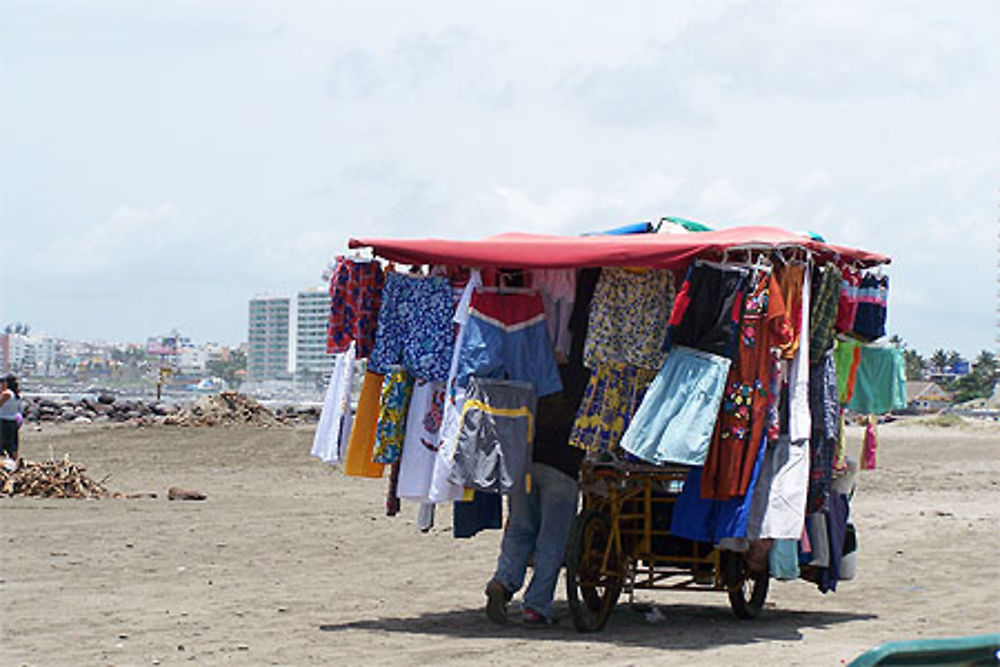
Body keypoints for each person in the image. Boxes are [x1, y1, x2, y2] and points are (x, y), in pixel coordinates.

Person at [0, 373, 22, 460]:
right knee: (13, 446)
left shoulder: (7, 394)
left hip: (4, 422)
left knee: (4, 445)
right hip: (13, 421)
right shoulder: (16, 394)